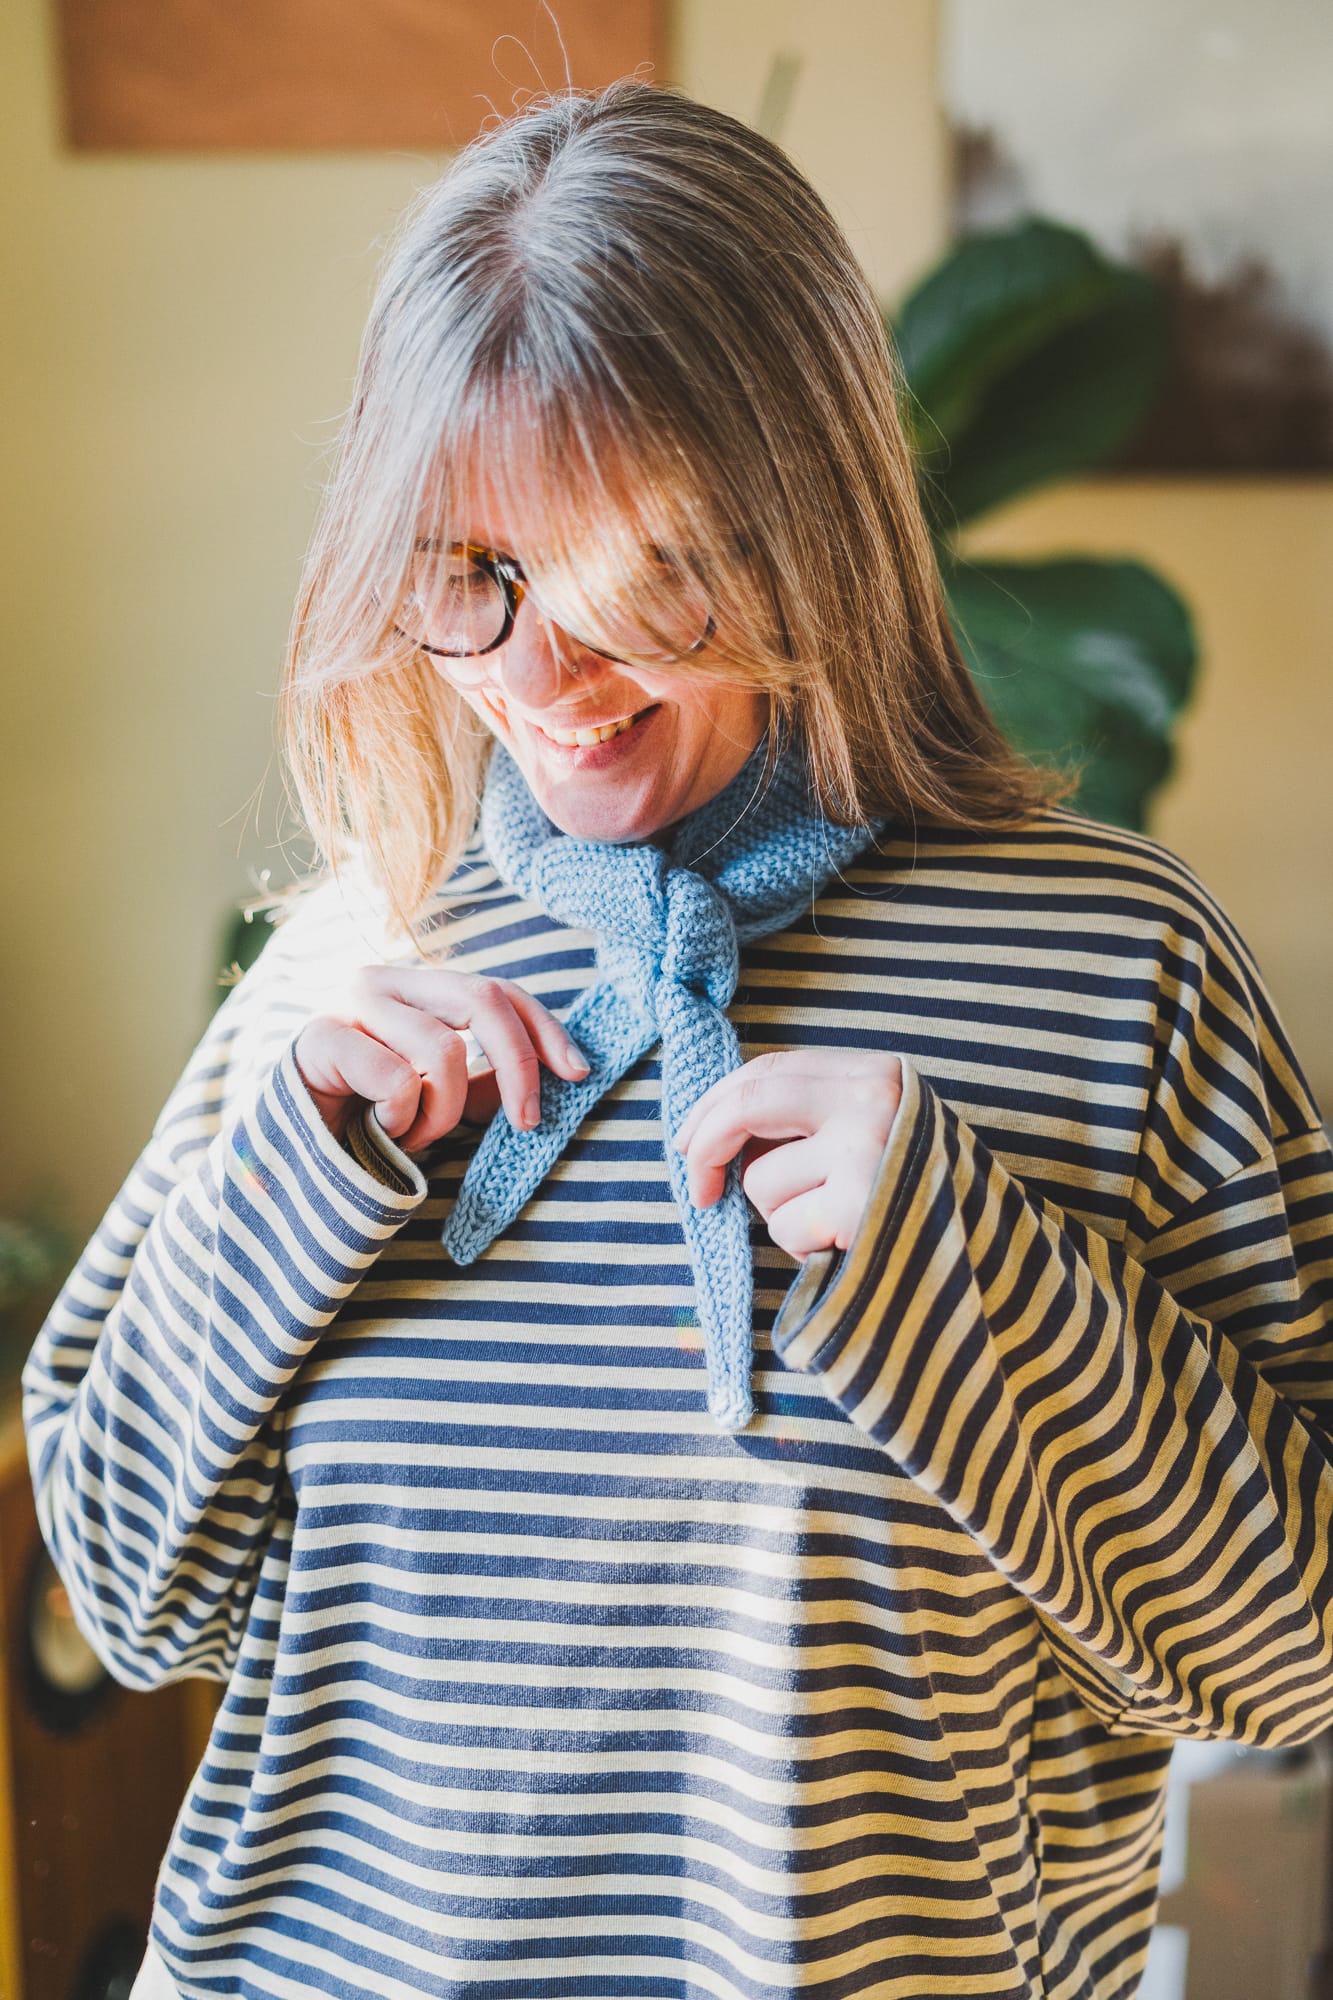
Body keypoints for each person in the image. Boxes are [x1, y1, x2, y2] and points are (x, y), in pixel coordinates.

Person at [22, 80, 1333, 2000]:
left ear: (812, 513)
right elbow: (127, 1597)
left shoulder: (1113, 971)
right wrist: (283, 1191)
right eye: (470, 576)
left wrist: (963, 1272)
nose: (539, 681)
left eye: (643, 577)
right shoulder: (337, 975)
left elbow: (1290, 1650)